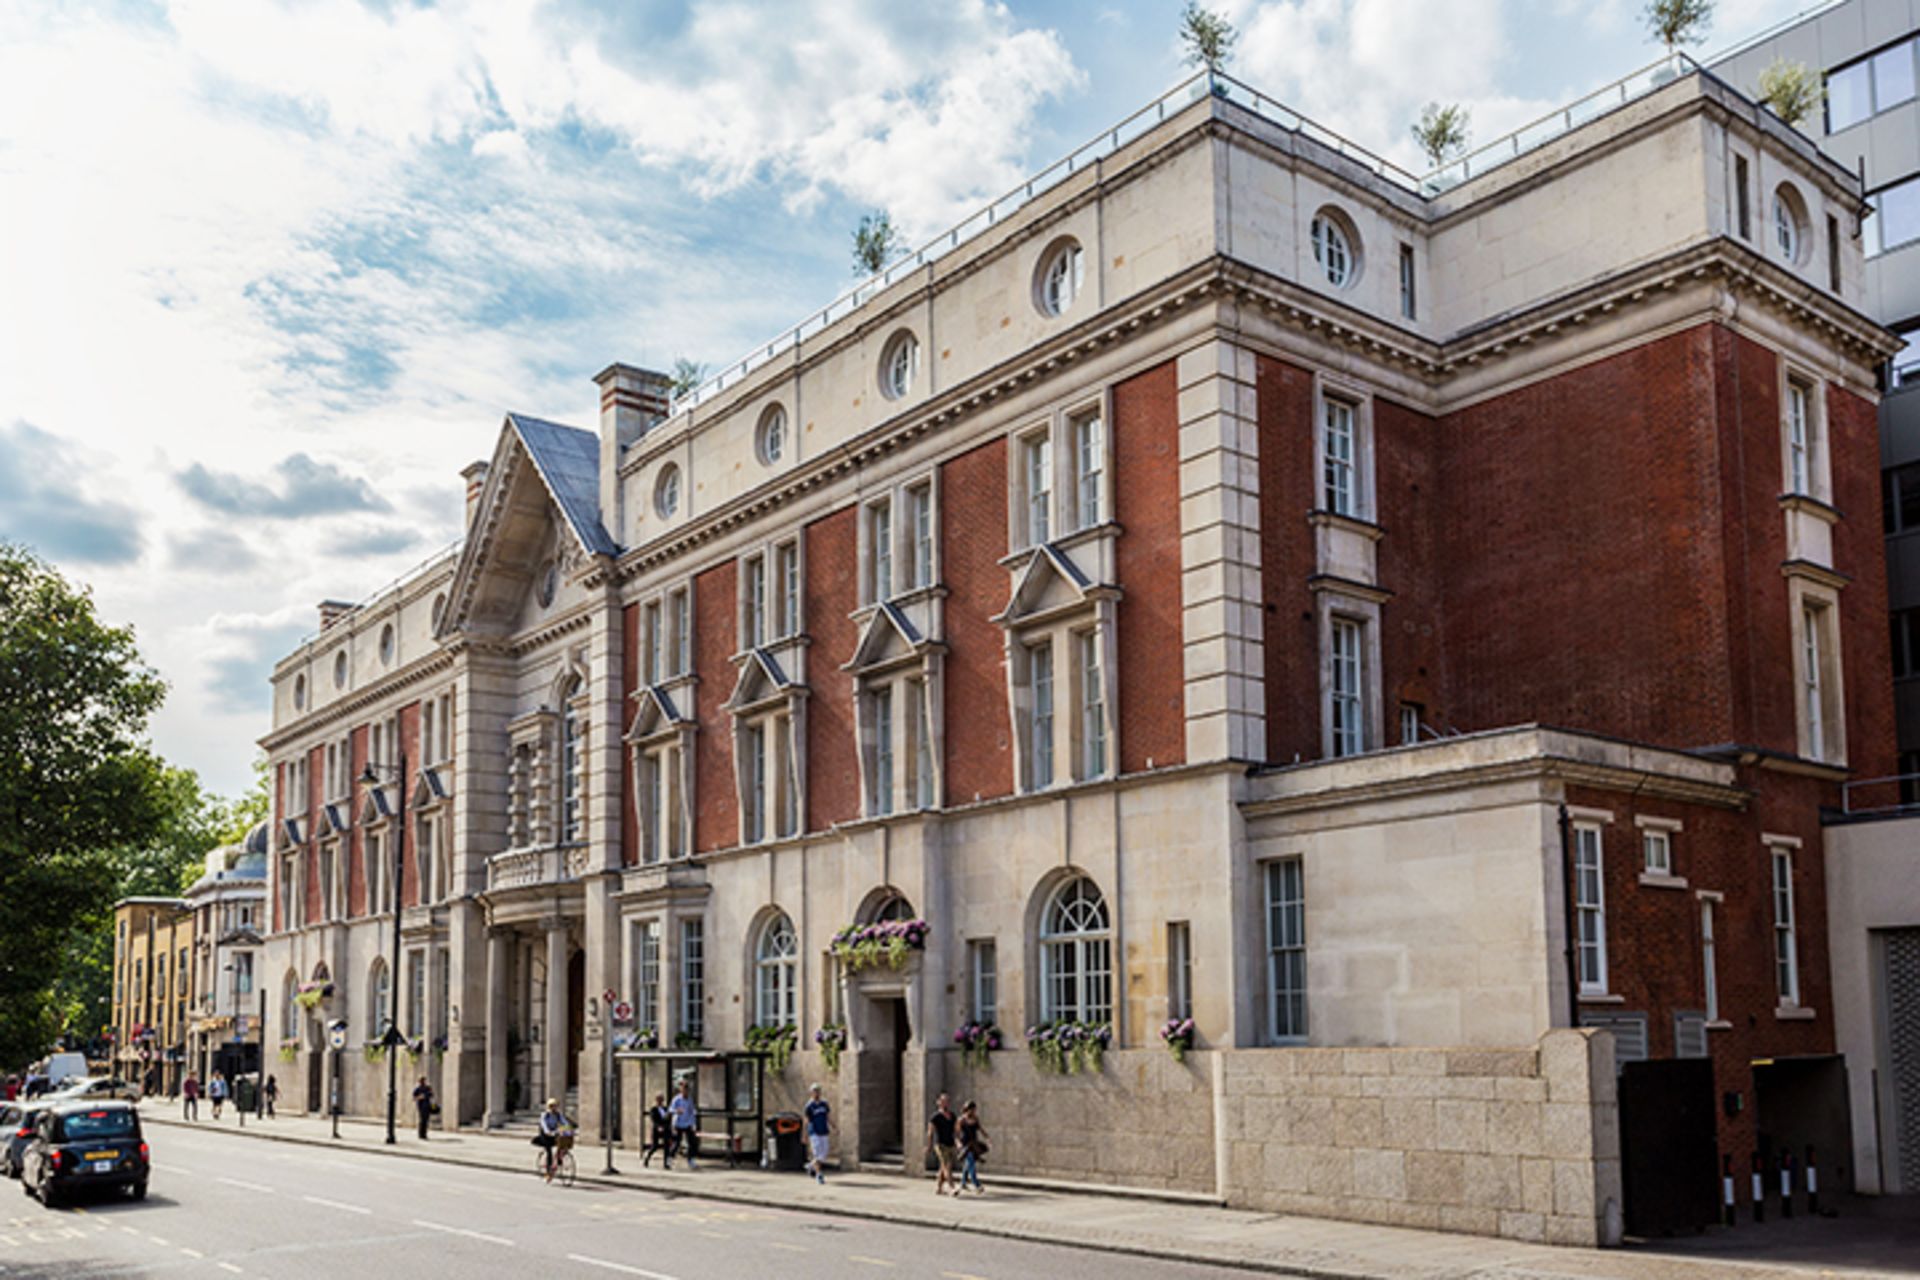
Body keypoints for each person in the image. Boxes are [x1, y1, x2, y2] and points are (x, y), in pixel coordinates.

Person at [925, 1092, 958, 1196]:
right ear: (939, 1103)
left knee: (943, 1167)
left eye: (947, 1101)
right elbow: (930, 1132)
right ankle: (952, 1187)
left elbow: (956, 1130)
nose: (945, 1103)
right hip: (940, 1145)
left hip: (951, 1144)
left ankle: (939, 1188)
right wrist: (929, 1146)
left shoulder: (952, 1116)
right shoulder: (935, 1117)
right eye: (943, 1101)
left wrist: (958, 1142)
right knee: (947, 1166)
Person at [534, 1098, 573, 1182]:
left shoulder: (558, 1115)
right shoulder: (545, 1115)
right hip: (545, 1135)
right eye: (552, 1106)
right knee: (549, 1152)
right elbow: (544, 1125)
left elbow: (565, 1122)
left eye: (555, 1106)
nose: (554, 1108)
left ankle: (558, 1162)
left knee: (561, 1145)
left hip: (554, 1133)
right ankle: (548, 1172)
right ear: (549, 1107)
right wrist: (548, 1131)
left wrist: (568, 1129)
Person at [956, 1100, 988, 1195]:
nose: (973, 1112)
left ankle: (963, 1183)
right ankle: (977, 1185)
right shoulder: (961, 1120)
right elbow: (956, 1134)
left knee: (968, 1164)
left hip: (974, 1144)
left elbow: (980, 1129)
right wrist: (958, 1143)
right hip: (965, 1145)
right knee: (971, 1164)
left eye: (974, 1110)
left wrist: (987, 1137)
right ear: (967, 1109)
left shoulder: (975, 1119)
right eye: (972, 1110)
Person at [803, 1083, 832, 1184]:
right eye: (814, 1091)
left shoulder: (824, 1104)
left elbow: (828, 1117)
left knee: (823, 1155)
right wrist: (805, 1135)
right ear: (811, 1093)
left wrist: (834, 1126)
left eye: (818, 1091)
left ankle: (811, 1166)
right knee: (817, 1154)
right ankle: (819, 1175)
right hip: (814, 1132)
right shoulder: (809, 1106)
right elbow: (806, 1121)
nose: (816, 1093)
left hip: (824, 1131)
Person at [667, 1078, 698, 1170]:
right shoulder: (676, 1099)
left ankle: (690, 1160)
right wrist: (677, 1111)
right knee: (677, 1143)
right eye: (683, 1089)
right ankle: (670, 1158)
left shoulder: (689, 1100)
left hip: (687, 1123)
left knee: (691, 1143)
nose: (685, 1092)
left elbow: (692, 1112)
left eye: (687, 1090)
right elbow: (670, 1109)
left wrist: (693, 1124)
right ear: (681, 1090)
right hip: (679, 1123)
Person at [642, 1094, 671, 1167]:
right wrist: (658, 1126)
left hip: (665, 1129)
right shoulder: (654, 1109)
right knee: (655, 1146)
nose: (660, 1102)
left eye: (661, 1100)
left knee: (667, 1146)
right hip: (657, 1129)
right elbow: (653, 1119)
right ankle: (647, 1159)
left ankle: (666, 1163)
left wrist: (667, 1126)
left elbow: (668, 1119)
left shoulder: (665, 1109)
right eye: (659, 1100)